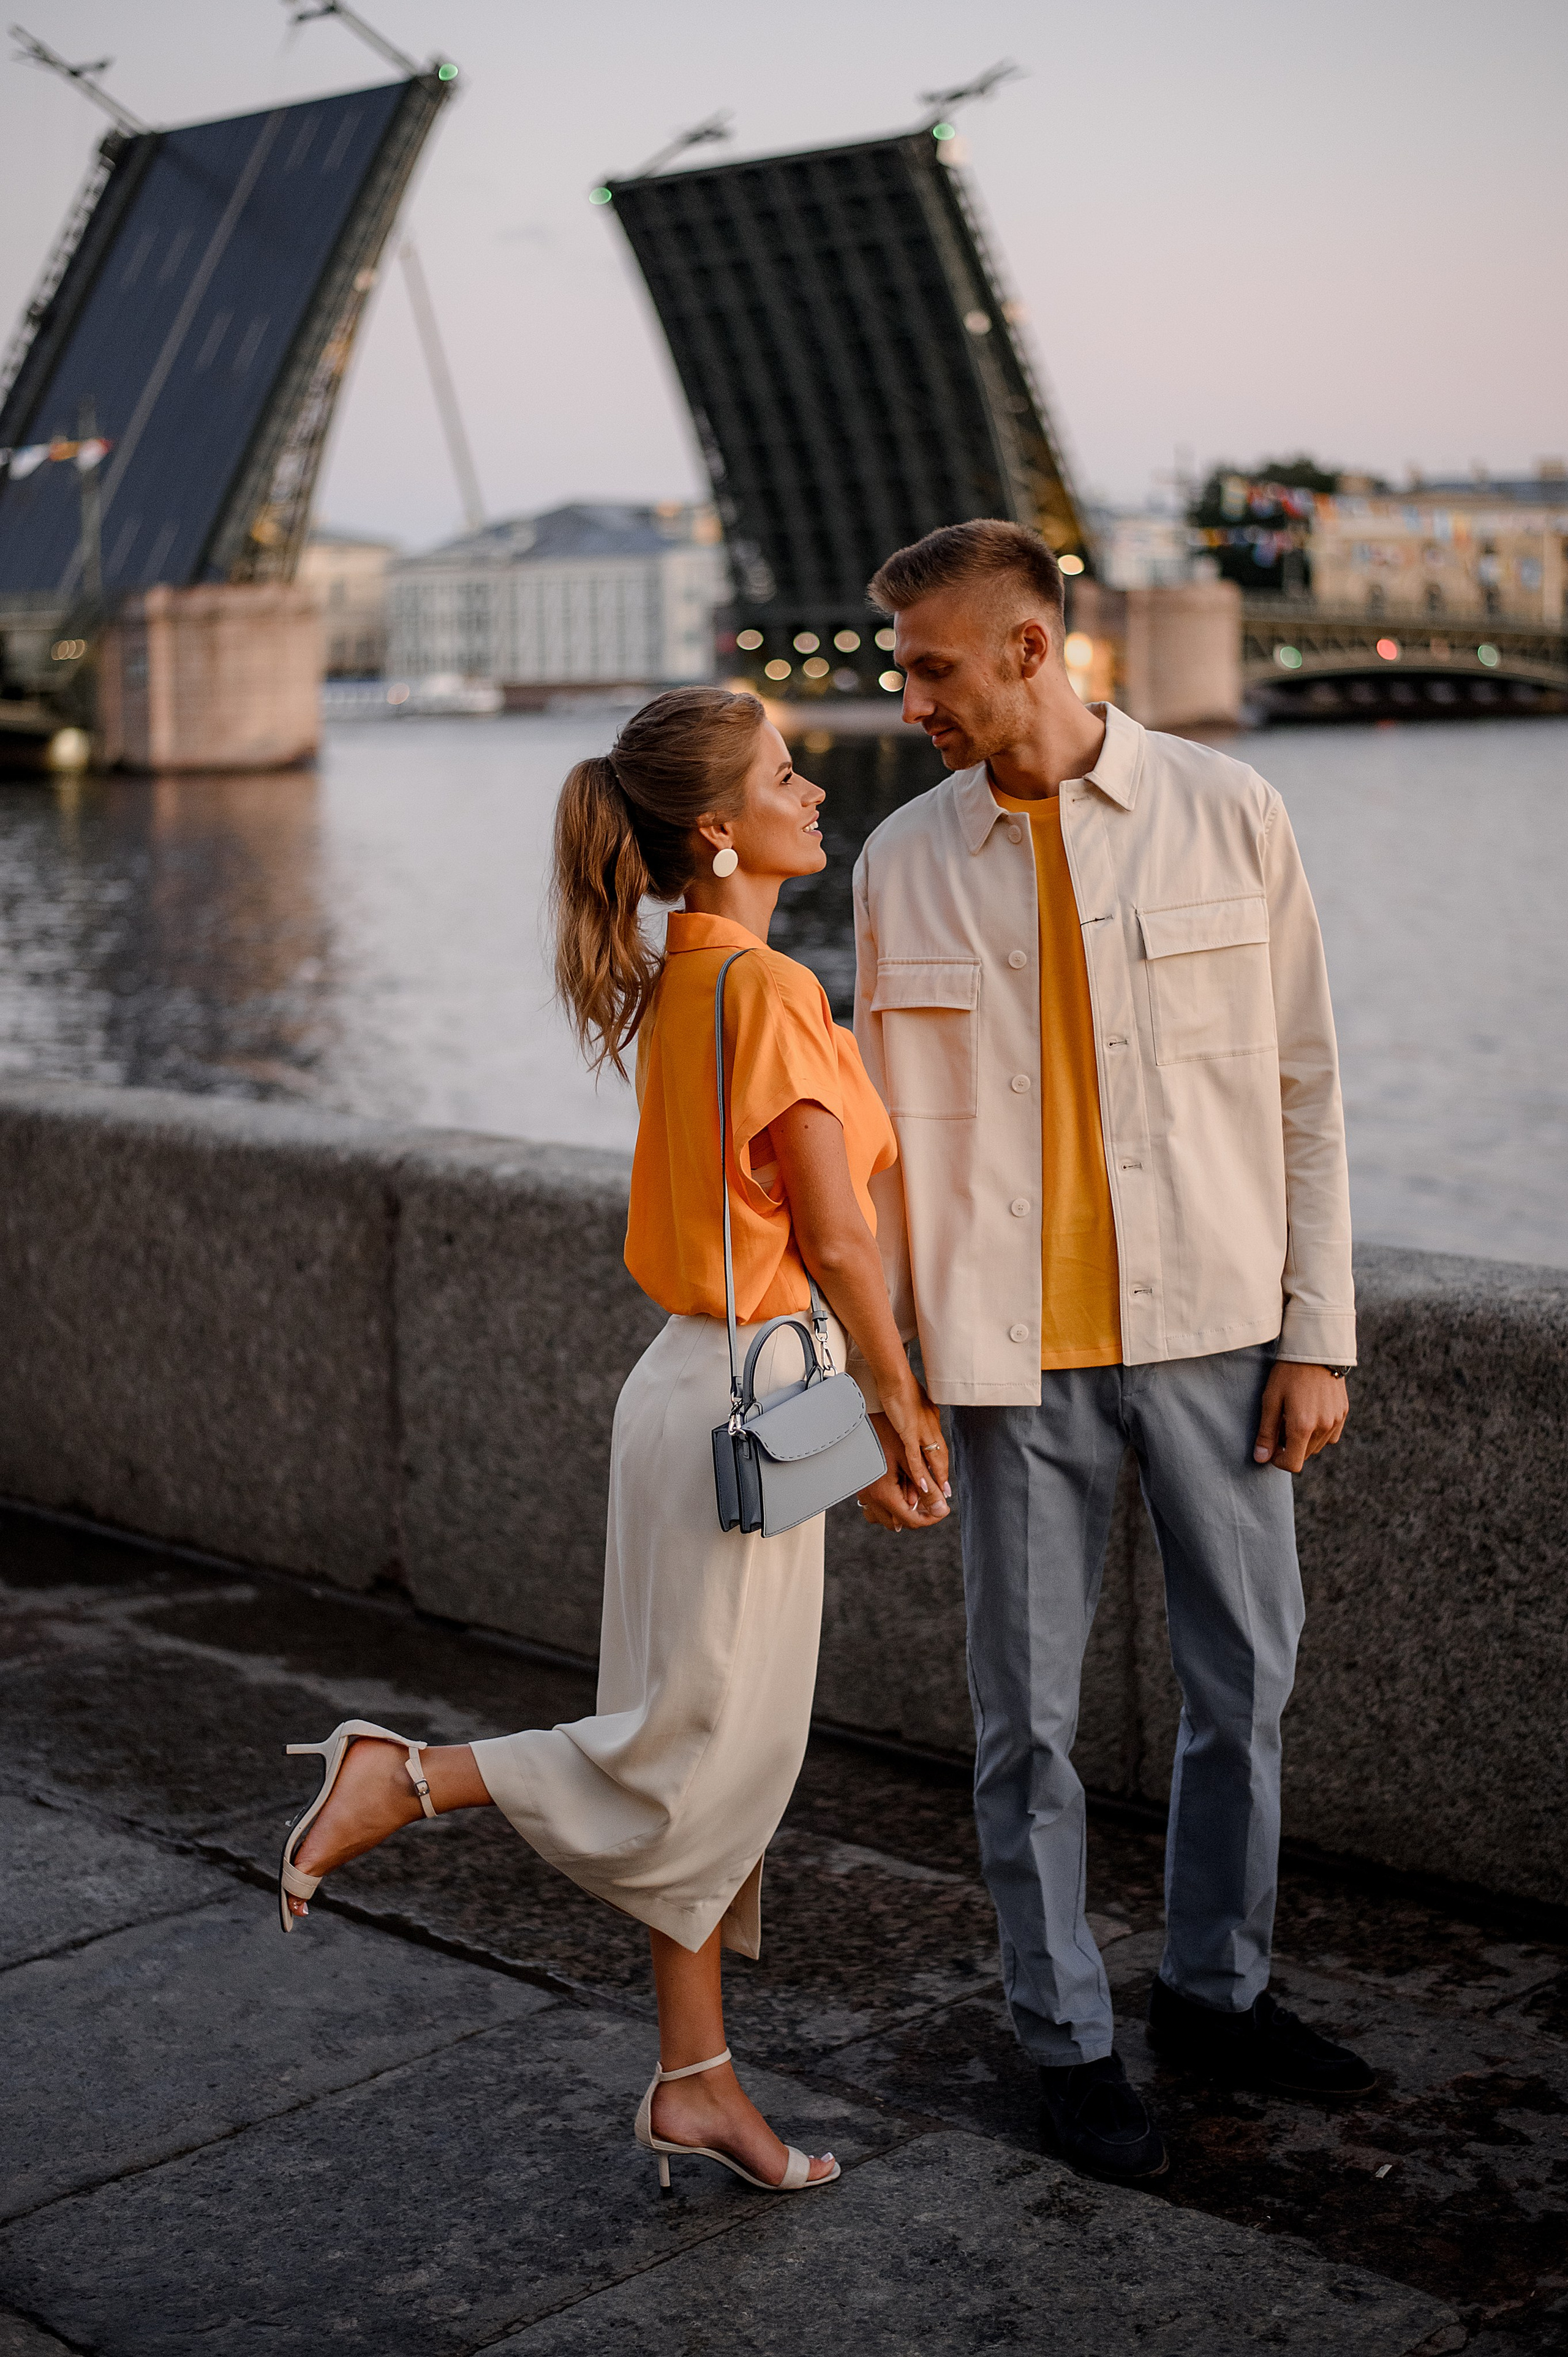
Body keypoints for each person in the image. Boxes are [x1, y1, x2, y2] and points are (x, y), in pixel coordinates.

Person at [276, 685, 949, 2197]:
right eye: (788, 772)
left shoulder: (684, 977)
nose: (815, 788)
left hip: (686, 1393)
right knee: (693, 1755)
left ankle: (695, 2077)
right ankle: (406, 1776)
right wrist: (903, 1403)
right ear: (717, 829)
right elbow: (838, 1239)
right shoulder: (769, 991)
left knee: (696, 1754)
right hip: (756, 1403)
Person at [848, 521, 1375, 2183]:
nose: (907, 696)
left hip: (1221, 1337)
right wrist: (898, 1370)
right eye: (900, 668)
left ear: (1027, 649)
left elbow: (1307, 1096)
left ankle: (1218, 1994)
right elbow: (875, 1150)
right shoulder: (897, 862)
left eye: (929, 664)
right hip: (1009, 1369)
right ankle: (1063, 2031)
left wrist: (1319, 1337)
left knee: (1248, 1690)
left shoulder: (1231, 815)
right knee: (1026, 1726)